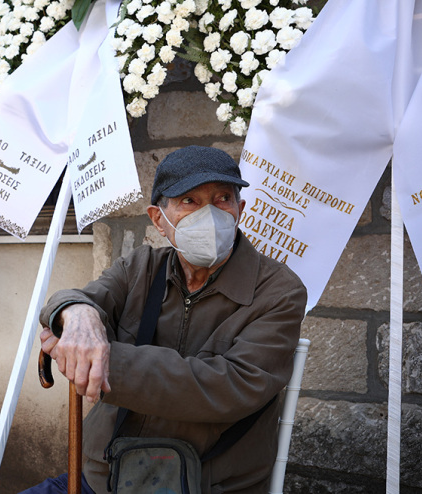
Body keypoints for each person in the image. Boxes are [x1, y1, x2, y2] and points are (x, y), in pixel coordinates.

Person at [24, 146, 307, 494]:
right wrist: (76, 314)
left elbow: (231, 386)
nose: (210, 214)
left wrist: (102, 357)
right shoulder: (141, 267)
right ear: (159, 219)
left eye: (222, 199)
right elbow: (79, 299)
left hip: (208, 484)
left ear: (240, 210)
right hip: (105, 477)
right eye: (189, 200)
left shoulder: (278, 290)